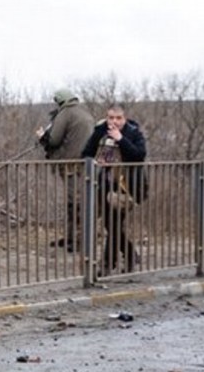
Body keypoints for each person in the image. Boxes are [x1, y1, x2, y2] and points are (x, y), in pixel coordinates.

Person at [81, 103, 148, 274]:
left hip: (128, 188)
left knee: (113, 223)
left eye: (118, 118)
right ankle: (130, 254)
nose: (114, 122)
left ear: (124, 118)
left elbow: (139, 156)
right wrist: (95, 161)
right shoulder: (101, 130)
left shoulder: (133, 132)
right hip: (106, 185)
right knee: (112, 225)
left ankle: (107, 264)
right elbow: (86, 152)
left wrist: (120, 139)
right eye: (111, 117)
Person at [37, 88, 95, 252]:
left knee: (75, 203)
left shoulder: (65, 113)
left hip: (70, 165)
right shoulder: (84, 113)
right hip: (86, 164)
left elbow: (54, 140)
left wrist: (43, 138)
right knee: (79, 201)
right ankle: (73, 237)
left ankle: (77, 240)